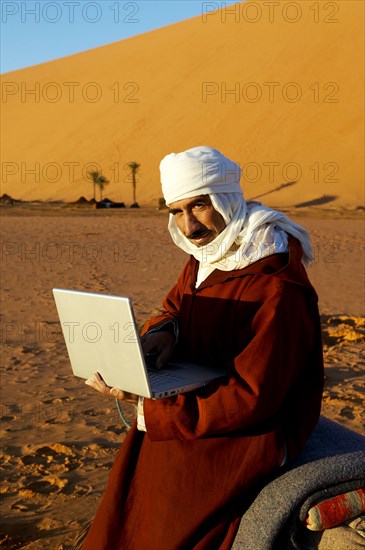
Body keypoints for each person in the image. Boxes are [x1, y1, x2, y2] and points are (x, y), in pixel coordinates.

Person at [83, 146, 324, 550]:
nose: (190, 226)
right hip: (201, 403)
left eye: (199, 206)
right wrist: (165, 334)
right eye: (176, 211)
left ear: (227, 198)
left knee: (173, 507)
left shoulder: (276, 284)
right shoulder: (207, 254)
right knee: (135, 470)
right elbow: (175, 306)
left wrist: (156, 410)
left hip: (253, 427)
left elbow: (255, 397)